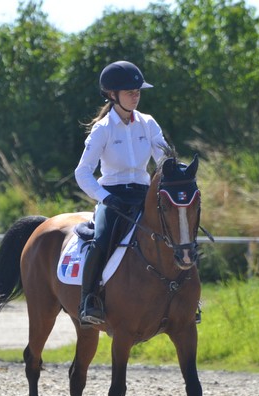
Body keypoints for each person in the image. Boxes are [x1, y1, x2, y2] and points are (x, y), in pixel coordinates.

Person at [74, 61, 166, 325]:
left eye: (138, 91)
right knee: (101, 240)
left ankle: (185, 299)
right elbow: (82, 173)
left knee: (176, 233)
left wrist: (176, 172)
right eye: (130, 92)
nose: (136, 96)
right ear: (112, 95)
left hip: (144, 195)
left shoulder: (148, 123)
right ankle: (88, 300)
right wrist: (105, 198)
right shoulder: (103, 129)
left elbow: (162, 161)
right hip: (113, 198)